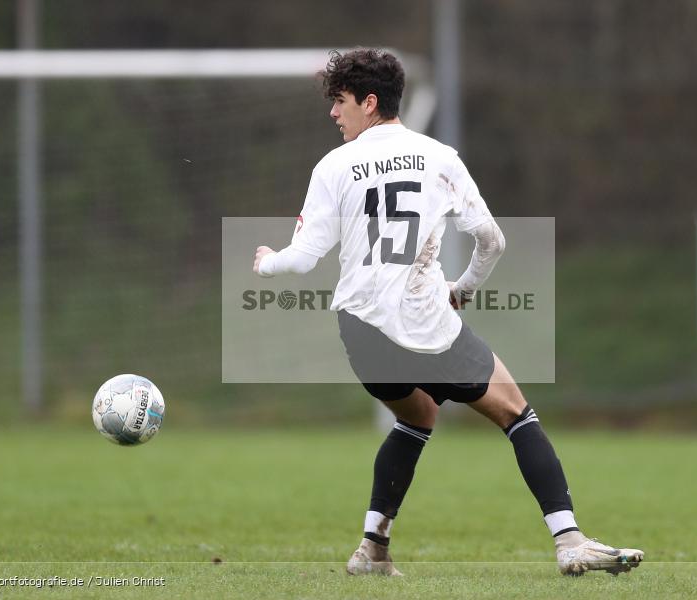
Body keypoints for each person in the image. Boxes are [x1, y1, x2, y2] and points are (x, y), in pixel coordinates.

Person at [252, 48, 643, 577]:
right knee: (516, 413)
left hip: (361, 330)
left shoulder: (332, 166)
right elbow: (492, 240)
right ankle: (569, 540)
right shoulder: (440, 157)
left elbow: (302, 259)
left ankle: (372, 547)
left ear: (369, 103)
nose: (333, 112)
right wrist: (464, 287)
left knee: (417, 416)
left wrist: (267, 263)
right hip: (426, 322)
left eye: (340, 101)